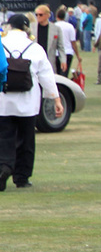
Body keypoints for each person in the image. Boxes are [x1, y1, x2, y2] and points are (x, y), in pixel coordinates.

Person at [0, 13, 62, 190]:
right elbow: (47, 77)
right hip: (27, 103)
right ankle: (22, 177)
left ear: (9, 26)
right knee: (26, 140)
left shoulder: (1, 45)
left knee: (4, 138)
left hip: (3, 101)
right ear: (26, 28)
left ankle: (4, 167)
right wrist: (56, 99)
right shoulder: (35, 48)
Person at [47, 7, 78, 77]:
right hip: (68, 52)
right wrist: (78, 55)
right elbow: (73, 42)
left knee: (56, 74)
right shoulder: (70, 26)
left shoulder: (53, 26)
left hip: (56, 53)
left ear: (56, 16)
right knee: (64, 74)